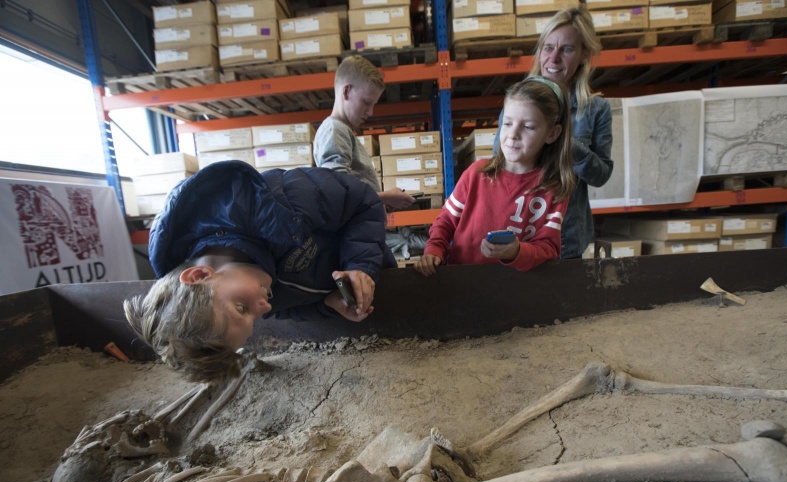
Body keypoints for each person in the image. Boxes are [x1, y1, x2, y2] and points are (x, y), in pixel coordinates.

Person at [123, 160, 393, 383]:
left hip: (376, 262)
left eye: (242, 308)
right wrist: (328, 304)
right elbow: (287, 308)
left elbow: (363, 202)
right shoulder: (250, 288)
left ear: (200, 276)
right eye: (253, 320)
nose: (263, 309)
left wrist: (360, 265)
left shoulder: (282, 200)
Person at [415, 77, 576, 276]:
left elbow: (549, 248)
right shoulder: (476, 174)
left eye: (528, 127)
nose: (513, 134)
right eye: (507, 123)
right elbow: (446, 221)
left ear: (552, 134)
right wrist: (434, 249)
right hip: (462, 284)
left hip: (516, 291)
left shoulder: (554, 190)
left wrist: (517, 252)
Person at [493, 5, 613, 259]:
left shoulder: (596, 109)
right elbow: (499, 164)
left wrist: (566, 142)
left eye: (567, 49)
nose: (554, 58)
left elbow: (601, 175)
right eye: (548, 48)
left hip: (566, 239)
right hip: (516, 235)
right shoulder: (518, 102)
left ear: (584, 55)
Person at [314, 55, 415, 211]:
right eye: (367, 102)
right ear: (346, 91)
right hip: (353, 235)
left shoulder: (342, 131)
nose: (371, 112)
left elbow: (352, 193)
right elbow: (337, 193)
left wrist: (379, 202)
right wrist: (385, 197)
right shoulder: (335, 130)